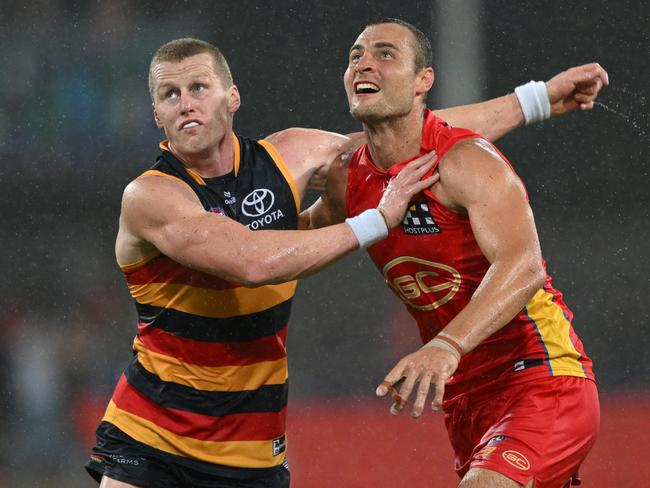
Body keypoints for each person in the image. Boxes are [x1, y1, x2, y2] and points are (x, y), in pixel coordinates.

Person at [85, 37, 607, 488]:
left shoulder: (288, 155)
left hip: (251, 441)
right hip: (152, 428)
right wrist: (375, 220)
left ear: (232, 96)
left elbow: (408, 130)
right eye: (169, 95)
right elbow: (251, 262)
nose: (185, 104)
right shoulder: (151, 196)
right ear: (156, 114)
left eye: (198, 88)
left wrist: (535, 99)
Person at [307, 19, 607, 488]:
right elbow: (298, 238)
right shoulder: (349, 176)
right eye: (355, 56)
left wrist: (445, 346)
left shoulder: (467, 161)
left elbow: (523, 266)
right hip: (465, 399)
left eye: (385, 54)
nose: (363, 63)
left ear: (423, 81)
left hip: (540, 377)